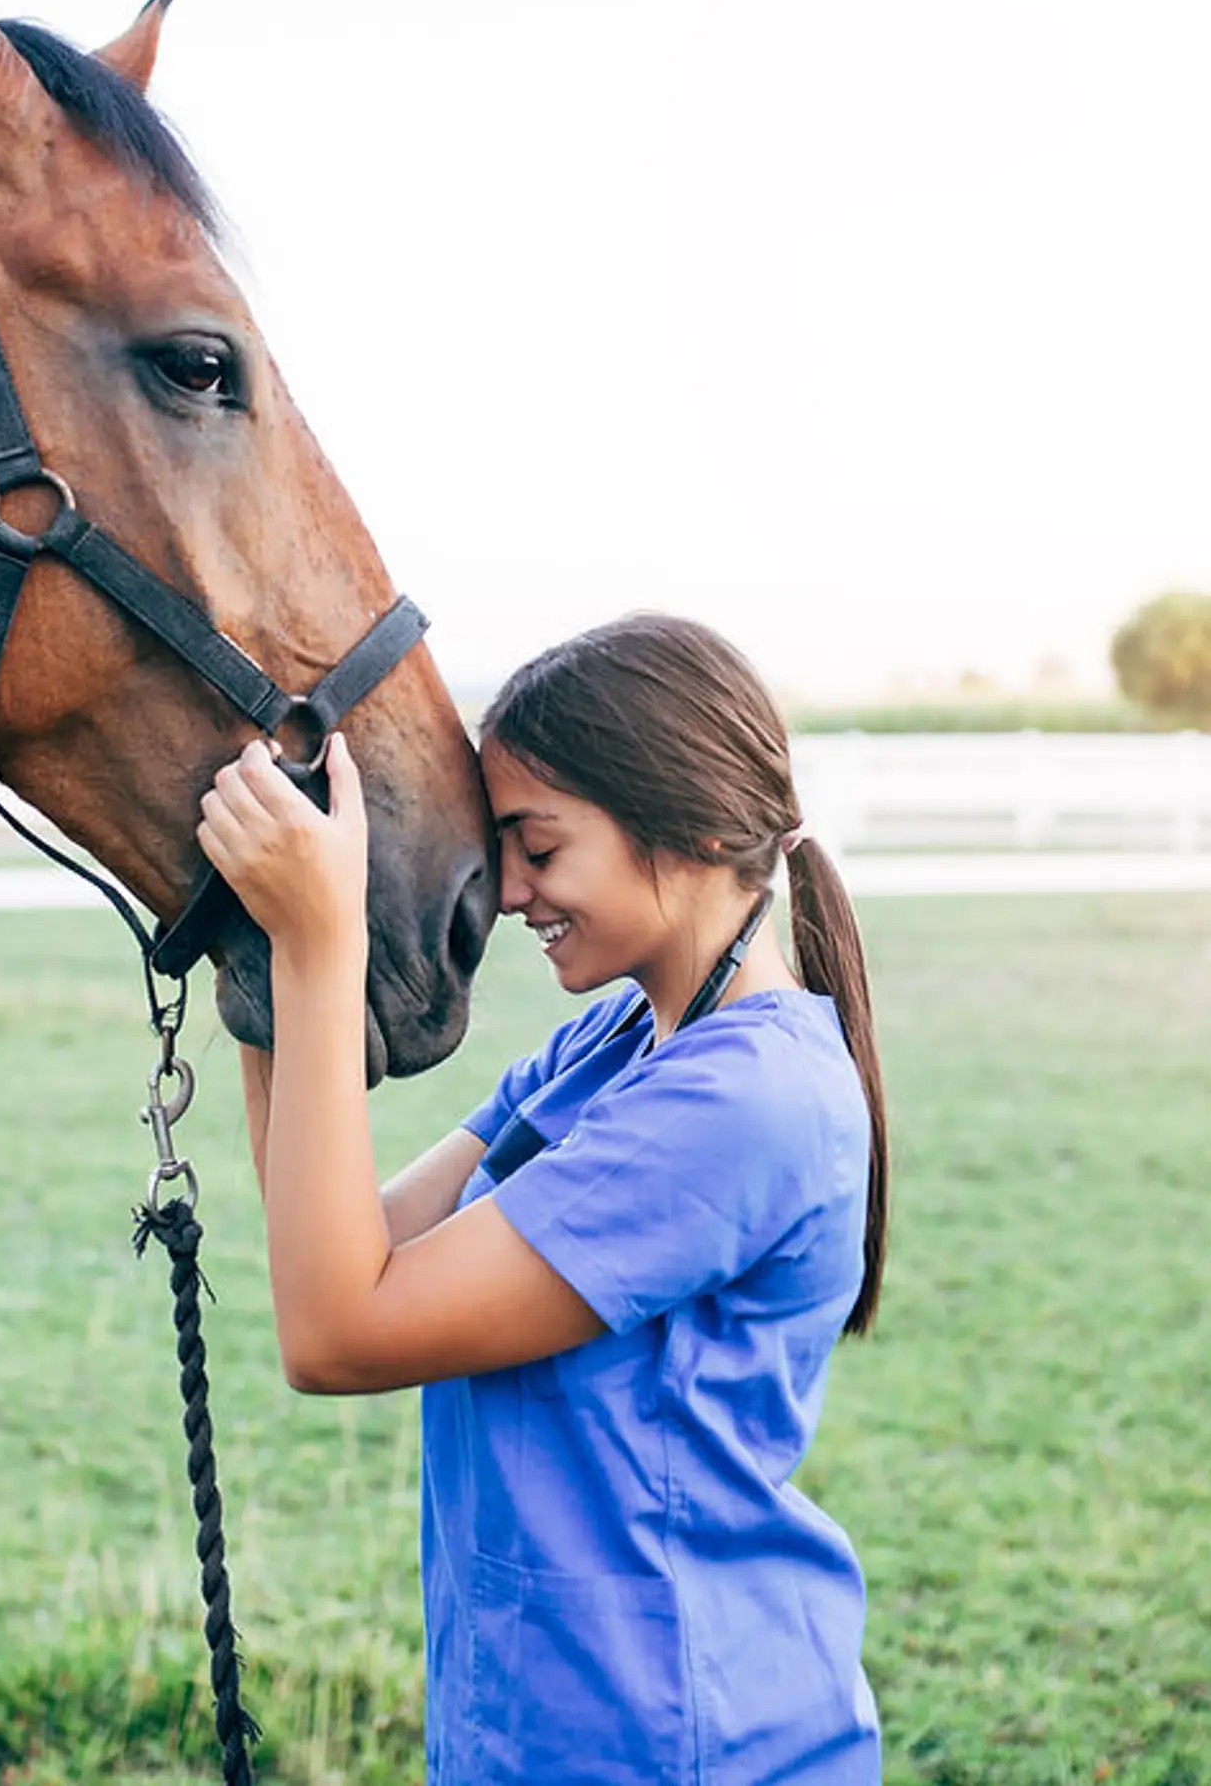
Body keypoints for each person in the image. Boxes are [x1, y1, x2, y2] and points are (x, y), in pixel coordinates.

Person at [196, 613, 889, 1784]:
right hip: (540, 1725)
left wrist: (322, 942)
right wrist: (266, 950)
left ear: (695, 826)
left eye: (538, 846)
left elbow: (336, 1334)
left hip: (674, 1741)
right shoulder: (614, 1042)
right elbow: (338, 1244)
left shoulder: (744, 1100)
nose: (511, 891)